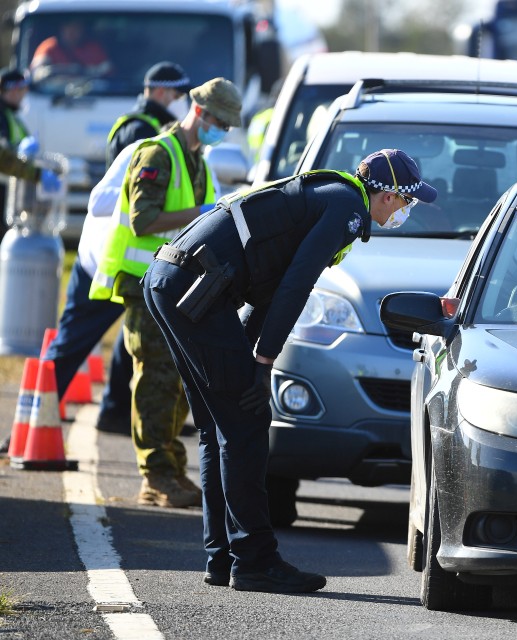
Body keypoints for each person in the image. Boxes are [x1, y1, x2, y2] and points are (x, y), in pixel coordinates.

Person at [141, 148, 436, 593]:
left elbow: (272, 284)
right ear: (389, 195)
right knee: (246, 422)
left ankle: (223, 557)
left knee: (219, 424)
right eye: (407, 201)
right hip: (195, 290)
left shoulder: (331, 193)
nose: (405, 212)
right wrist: (263, 360)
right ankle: (254, 561)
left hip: (172, 280)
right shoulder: (348, 208)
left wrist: (254, 352)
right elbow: (296, 285)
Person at [89, 77, 238, 509]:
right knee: (155, 380)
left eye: (227, 127)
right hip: (143, 285)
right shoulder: (158, 153)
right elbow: (143, 221)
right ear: (201, 113)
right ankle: (155, 476)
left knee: (175, 381)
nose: (222, 132)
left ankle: (171, 468)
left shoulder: (197, 160)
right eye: (220, 123)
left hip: (174, 286)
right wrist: (202, 213)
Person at [0, 67, 61, 236]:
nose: (24, 95)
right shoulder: (2, 115)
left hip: (11, 185)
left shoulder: (11, 116)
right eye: (22, 90)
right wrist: (37, 173)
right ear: (13, 90)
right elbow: (4, 157)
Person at [107, 61, 191, 166]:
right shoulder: (141, 130)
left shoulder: (154, 124)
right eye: (178, 96)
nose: (183, 102)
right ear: (160, 92)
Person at [30, 19, 110, 80]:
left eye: (76, 27)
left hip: (90, 92)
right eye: (68, 27)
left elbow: (107, 70)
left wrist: (88, 71)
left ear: (82, 30)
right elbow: (36, 70)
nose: (72, 32)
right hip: (56, 93)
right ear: (61, 29)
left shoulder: (93, 49)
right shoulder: (49, 47)